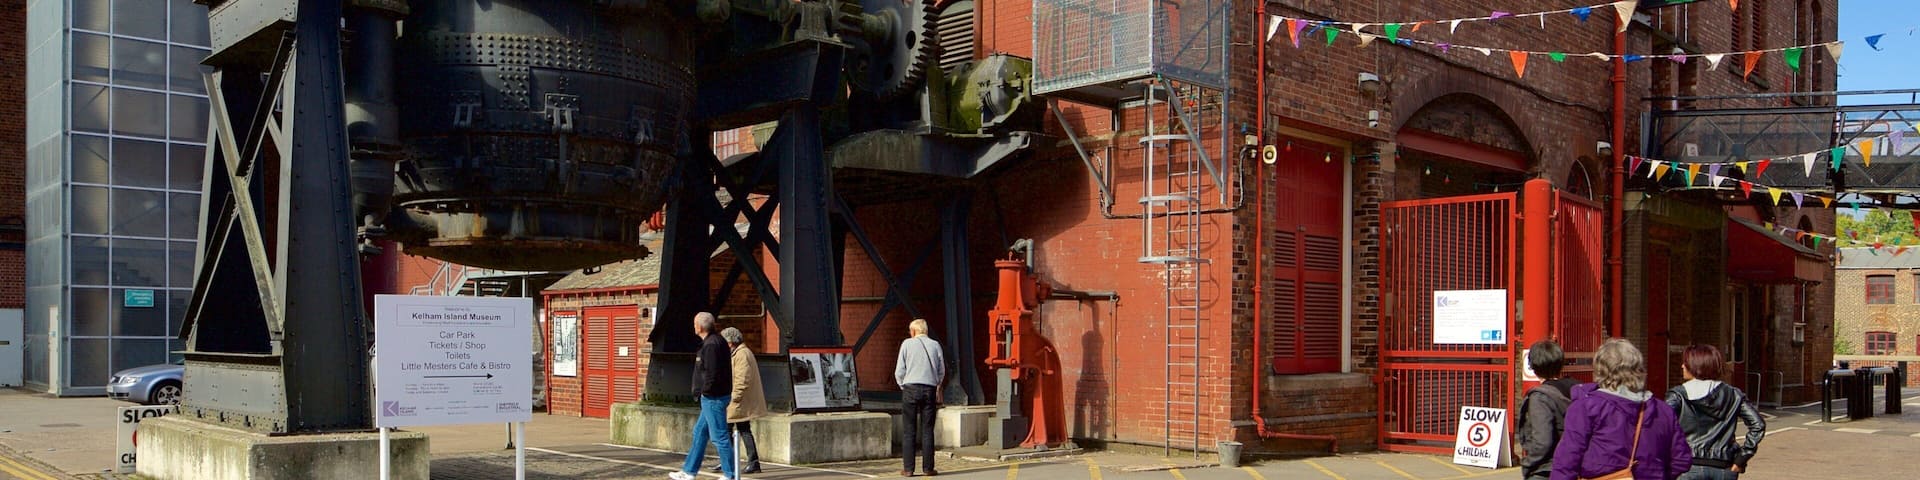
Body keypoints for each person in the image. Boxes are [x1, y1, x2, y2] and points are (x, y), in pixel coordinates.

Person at [1552, 338, 1691, 480]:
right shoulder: (1662, 411)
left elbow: (1567, 460)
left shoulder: (1587, 407)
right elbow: (1681, 460)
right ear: (1638, 369)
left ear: (1600, 369)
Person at [1667, 345, 1764, 480]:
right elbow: (1758, 425)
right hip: (1724, 467)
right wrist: (1742, 457)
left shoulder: (1678, 395)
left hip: (1687, 466)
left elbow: (1659, 426)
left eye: (1686, 363)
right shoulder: (1734, 394)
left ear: (1696, 366)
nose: (1682, 366)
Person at [672, 313, 735, 480]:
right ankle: (689, 471)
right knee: (700, 432)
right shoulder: (716, 341)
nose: (693, 326)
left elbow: (711, 374)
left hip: (713, 397)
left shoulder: (711, 345)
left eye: (694, 324)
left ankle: (731, 474)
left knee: (719, 437)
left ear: (699, 326)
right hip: (714, 396)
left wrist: (704, 392)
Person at [707, 327, 767, 475]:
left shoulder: (742, 355)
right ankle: (735, 461)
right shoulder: (738, 353)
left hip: (739, 401)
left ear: (730, 342)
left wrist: (734, 398)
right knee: (739, 430)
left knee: (737, 430)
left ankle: (749, 462)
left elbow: (742, 379)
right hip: (738, 400)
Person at [1518, 340, 1580, 480]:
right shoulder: (1577, 388)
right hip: (1574, 465)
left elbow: (1542, 441)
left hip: (1548, 469)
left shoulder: (1540, 397)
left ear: (1533, 366)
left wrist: (1528, 464)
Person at [894, 319, 945, 477]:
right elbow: (941, 370)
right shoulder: (935, 345)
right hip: (929, 389)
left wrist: (903, 385)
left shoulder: (907, 344)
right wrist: (935, 384)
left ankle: (908, 469)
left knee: (909, 431)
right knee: (927, 430)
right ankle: (928, 468)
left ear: (914, 331)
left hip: (910, 388)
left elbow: (899, 371)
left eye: (911, 331)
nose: (910, 333)